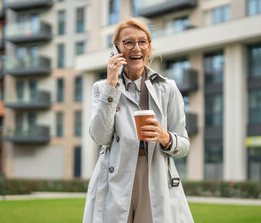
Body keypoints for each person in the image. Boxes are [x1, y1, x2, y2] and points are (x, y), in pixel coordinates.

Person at [83, 18, 194, 223]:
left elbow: (184, 145)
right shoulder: (102, 88)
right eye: (128, 42)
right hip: (115, 175)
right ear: (116, 48)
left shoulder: (167, 88)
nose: (137, 48)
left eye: (143, 42)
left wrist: (165, 137)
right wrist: (111, 85)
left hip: (155, 175)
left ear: (149, 47)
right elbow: (99, 137)